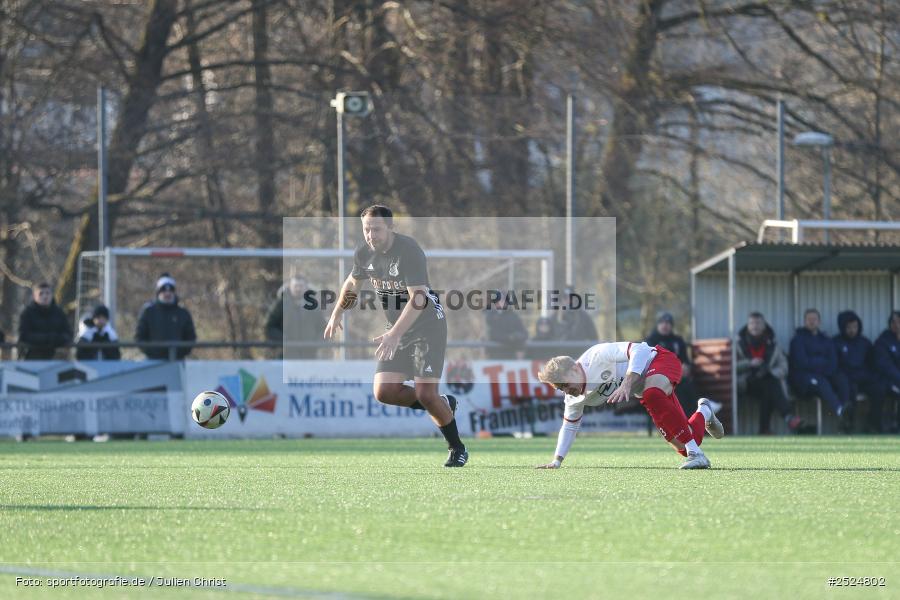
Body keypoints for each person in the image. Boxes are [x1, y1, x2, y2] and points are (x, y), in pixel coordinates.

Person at [323, 205, 467, 467]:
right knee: (385, 391)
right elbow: (352, 283)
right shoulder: (364, 252)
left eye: (376, 229)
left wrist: (394, 335)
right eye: (366, 229)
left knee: (425, 395)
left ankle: (457, 448)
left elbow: (419, 299)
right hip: (398, 330)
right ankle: (443, 404)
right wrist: (337, 313)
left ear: (390, 228)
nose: (370, 235)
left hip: (427, 327)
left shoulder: (409, 251)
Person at [535, 341, 725, 470]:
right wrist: (556, 461)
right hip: (645, 388)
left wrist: (627, 382)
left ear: (575, 369)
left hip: (659, 360)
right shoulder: (573, 398)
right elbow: (569, 426)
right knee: (684, 444)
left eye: (565, 384)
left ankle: (697, 455)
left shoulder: (596, 356)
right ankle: (705, 412)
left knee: (652, 394)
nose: (565, 391)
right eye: (560, 388)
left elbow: (639, 350)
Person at [736, 312, 802, 434]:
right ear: (748, 326)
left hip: (767, 380)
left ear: (764, 326)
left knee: (768, 387)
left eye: (758, 323)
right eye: (752, 323)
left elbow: (784, 366)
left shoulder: (773, 344)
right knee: (771, 385)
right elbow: (732, 367)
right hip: (746, 382)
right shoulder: (738, 344)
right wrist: (749, 363)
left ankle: (764, 430)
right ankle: (787, 416)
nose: (755, 326)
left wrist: (771, 372)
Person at [789, 308, 852, 427]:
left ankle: (845, 414)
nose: (812, 322)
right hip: (804, 380)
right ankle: (839, 410)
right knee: (820, 381)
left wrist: (819, 364)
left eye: (814, 319)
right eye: (809, 319)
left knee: (841, 379)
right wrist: (822, 362)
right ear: (804, 321)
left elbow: (833, 361)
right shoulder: (797, 340)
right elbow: (802, 363)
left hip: (825, 374)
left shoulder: (826, 340)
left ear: (819, 322)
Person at [644, 312, 713, 417]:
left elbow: (685, 359)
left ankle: (696, 416)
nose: (665, 325)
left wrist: (686, 367)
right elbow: (649, 361)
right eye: (662, 322)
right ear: (657, 324)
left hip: (678, 377)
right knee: (681, 388)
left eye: (668, 323)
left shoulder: (678, 341)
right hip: (658, 378)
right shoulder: (651, 341)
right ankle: (685, 419)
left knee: (690, 385)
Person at [834, 310, 885, 433]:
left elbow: (873, 363)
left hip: (864, 378)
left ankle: (873, 425)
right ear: (843, 327)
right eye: (849, 327)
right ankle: (848, 425)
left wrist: (873, 376)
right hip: (848, 379)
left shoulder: (865, 343)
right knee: (849, 390)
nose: (852, 330)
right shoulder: (836, 342)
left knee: (879, 389)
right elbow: (834, 366)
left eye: (855, 327)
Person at [135, 274, 197, 360]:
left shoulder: (183, 313)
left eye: (171, 290)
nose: (167, 293)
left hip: (176, 361)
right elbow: (139, 337)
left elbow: (190, 337)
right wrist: (152, 352)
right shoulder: (148, 312)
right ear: (158, 292)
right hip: (153, 361)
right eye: (163, 290)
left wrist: (179, 353)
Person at [265, 274, 326, 359]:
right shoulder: (281, 304)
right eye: (295, 286)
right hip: (286, 354)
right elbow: (270, 326)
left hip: (310, 355)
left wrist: (315, 343)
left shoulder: (314, 306)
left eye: (301, 286)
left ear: (306, 287)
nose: (298, 289)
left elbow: (323, 328)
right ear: (290, 287)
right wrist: (283, 339)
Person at [17, 282, 72, 360]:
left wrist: (58, 340)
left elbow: (68, 333)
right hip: (32, 357)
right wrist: (47, 339)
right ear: (34, 296)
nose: (45, 296)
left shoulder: (59, 313)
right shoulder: (27, 313)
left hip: (56, 357)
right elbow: (24, 336)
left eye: (47, 293)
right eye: (41, 293)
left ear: (52, 295)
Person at [873, 311, 900, 433]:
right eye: (893, 322)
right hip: (887, 381)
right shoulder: (883, 340)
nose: (897, 325)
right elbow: (885, 365)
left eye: (899, 321)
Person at [484, 295, 528, 359]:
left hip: (511, 354)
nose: (501, 303)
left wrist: (516, 336)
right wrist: (509, 337)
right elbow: (492, 334)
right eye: (499, 301)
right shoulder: (490, 316)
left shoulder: (514, 316)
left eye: (503, 300)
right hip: (495, 353)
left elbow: (524, 333)